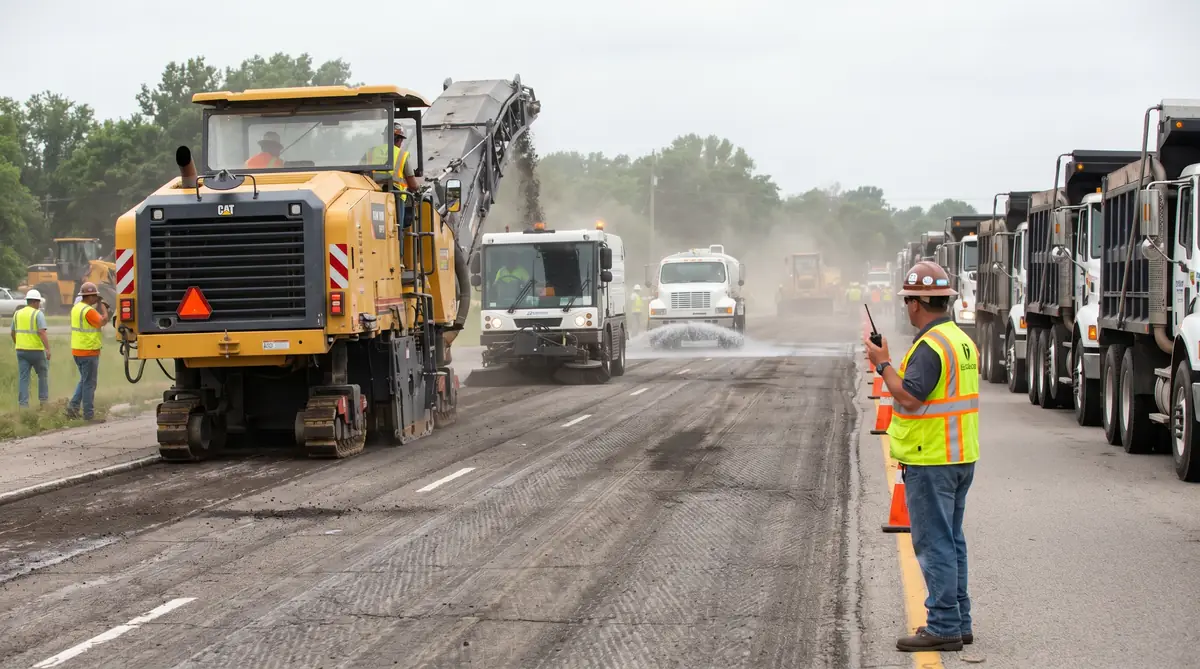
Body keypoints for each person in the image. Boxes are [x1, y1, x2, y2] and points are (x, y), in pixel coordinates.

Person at [864, 260, 979, 652]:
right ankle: (959, 621)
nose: (906, 307)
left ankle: (944, 626)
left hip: (932, 459)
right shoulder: (959, 339)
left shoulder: (930, 347)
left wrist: (882, 364)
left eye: (907, 300)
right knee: (952, 541)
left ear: (916, 303)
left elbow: (910, 397)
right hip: (959, 455)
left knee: (934, 545)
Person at [66, 282, 109, 423]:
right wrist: (104, 307)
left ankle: (72, 408)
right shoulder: (89, 311)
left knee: (84, 380)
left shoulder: (76, 308)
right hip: (89, 351)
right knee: (89, 383)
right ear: (89, 297)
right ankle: (88, 415)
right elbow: (103, 321)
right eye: (95, 296)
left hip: (77, 350)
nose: (96, 298)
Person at [10, 289, 50, 409]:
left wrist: (17, 343)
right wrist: (47, 349)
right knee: (42, 375)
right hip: (36, 351)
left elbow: (12, 332)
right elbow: (42, 332)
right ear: (35, 302)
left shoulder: (17, 313)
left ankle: (23, 405)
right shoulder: (38, 314)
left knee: (24, 378)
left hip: (21, 351)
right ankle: (43, 402)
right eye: (39, 302)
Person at [367, 121, 420, 195]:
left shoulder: (370, 152)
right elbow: (413, 185)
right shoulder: (402, 155)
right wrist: (418, 187)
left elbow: (359, 174)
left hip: (371, 195)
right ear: (400, 140)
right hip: (395, 197)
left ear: (385, 137)